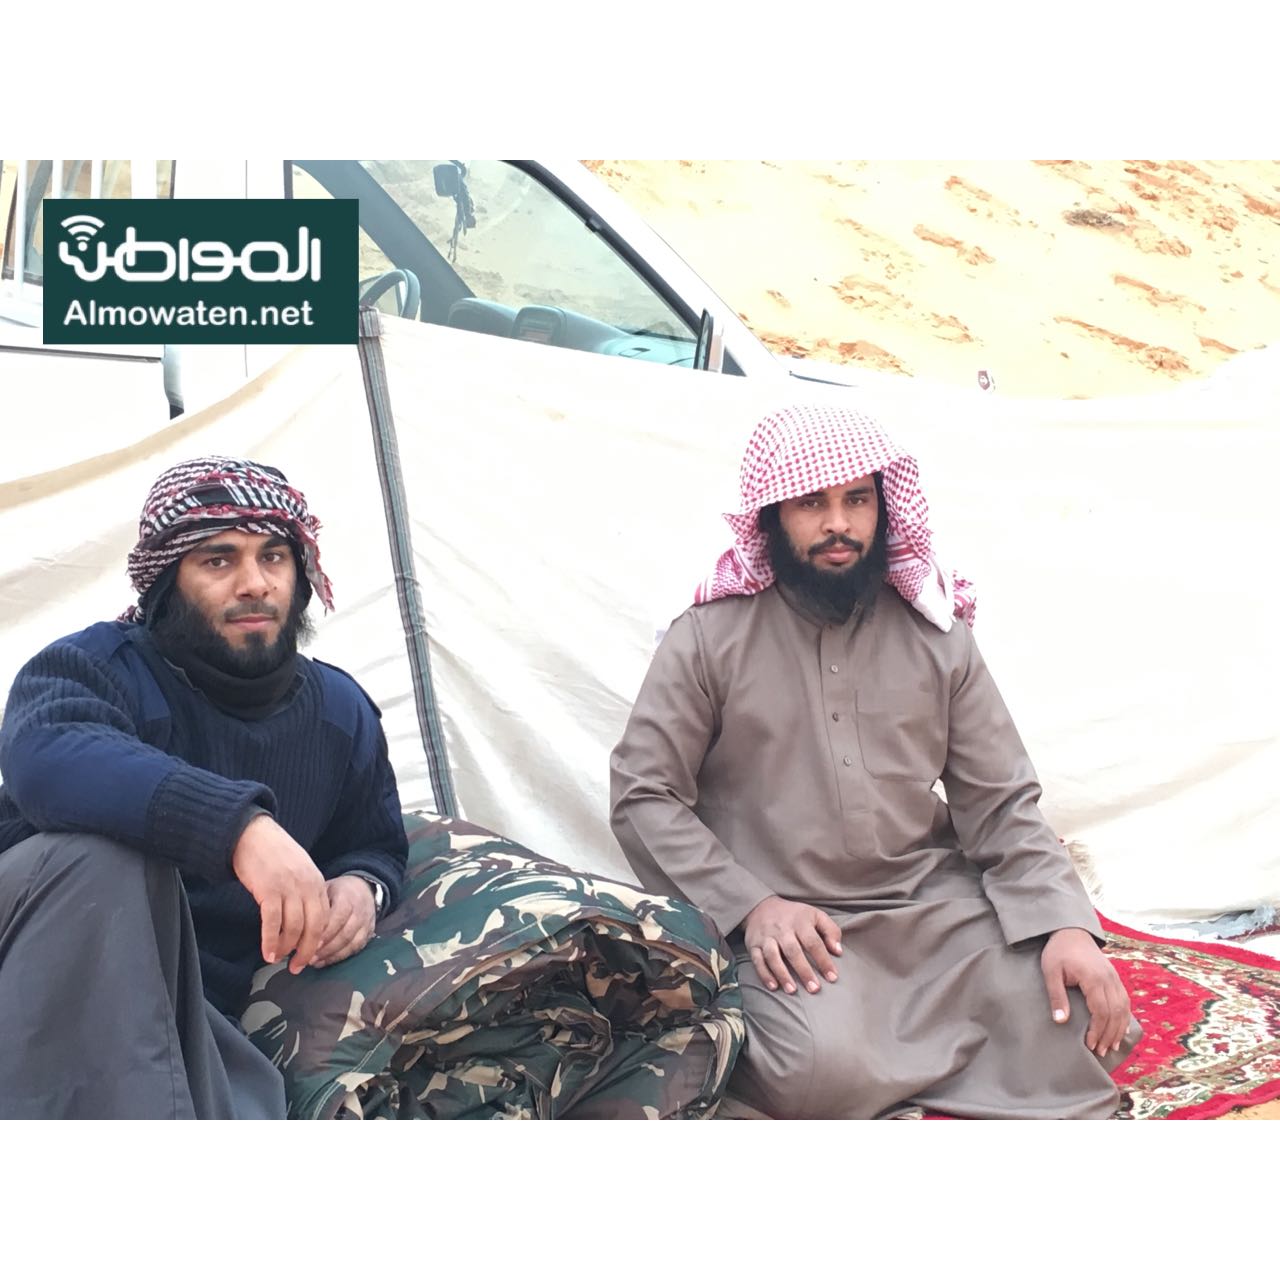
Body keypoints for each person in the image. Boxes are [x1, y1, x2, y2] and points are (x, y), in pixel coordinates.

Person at [610, 403, 1142, 1119]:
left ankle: (901, 1067)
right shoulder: (710, 637)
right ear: (772, 515)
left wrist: (1065, 926)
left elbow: (1001, 802)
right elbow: (643, 794)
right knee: (811, 1072)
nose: (839, 524)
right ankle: (925, 1062)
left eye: (857, 500)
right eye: (813, 503)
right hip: (796, 928)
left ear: (884, 508)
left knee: (1079, 1020)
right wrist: (751, 907)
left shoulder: (937, 636)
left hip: (933, 913)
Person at [0, 457, 407, 1119]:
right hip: (37, 965)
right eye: (219, 560)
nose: (254, 584)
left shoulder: (340, 711)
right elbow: (45, 759)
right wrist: (240, 830)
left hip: (198, 1011)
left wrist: (362, 887)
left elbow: (375, 842)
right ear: (167, 582)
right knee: (100, 860)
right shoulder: (92, 666)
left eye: (274, 557)